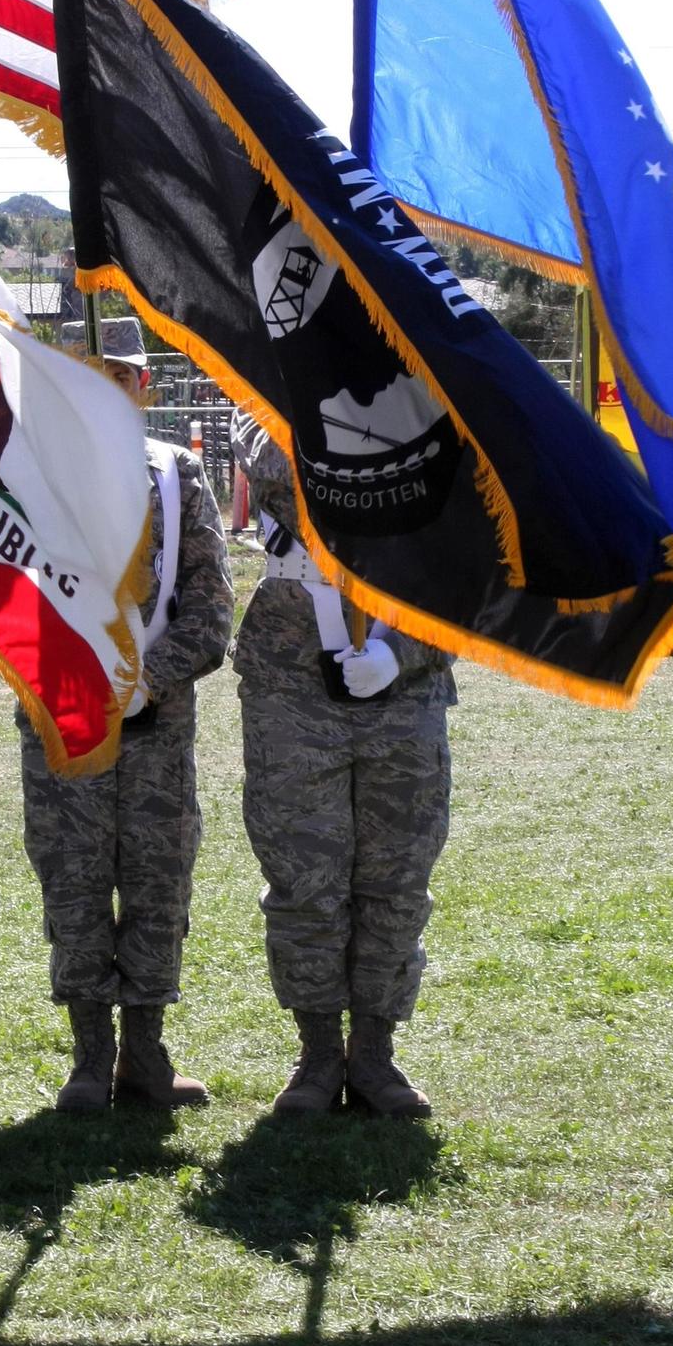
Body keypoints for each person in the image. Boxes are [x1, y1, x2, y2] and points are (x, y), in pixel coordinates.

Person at [19, 345, 233, 1114]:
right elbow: (4, 600)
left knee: (157, 886)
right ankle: (88, 1057)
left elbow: (213, 605)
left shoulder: (178, 476)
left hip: (158, 730)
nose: (106, 391)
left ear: (144, 388)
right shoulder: (25, 475)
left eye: (121, 377)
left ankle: (145, 1052)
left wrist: (152, 677)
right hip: (66, 725)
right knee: (73, 883)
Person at [230, 411, 455, 1120]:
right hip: (292, 676)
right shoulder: (271, 394)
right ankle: (319, 1052)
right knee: (304, 875)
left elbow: (465, 568)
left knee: (396, 877)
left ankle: (376, 1054)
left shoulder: (432, 413)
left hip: (404, 674)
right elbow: (274, 474)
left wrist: (404, 652)